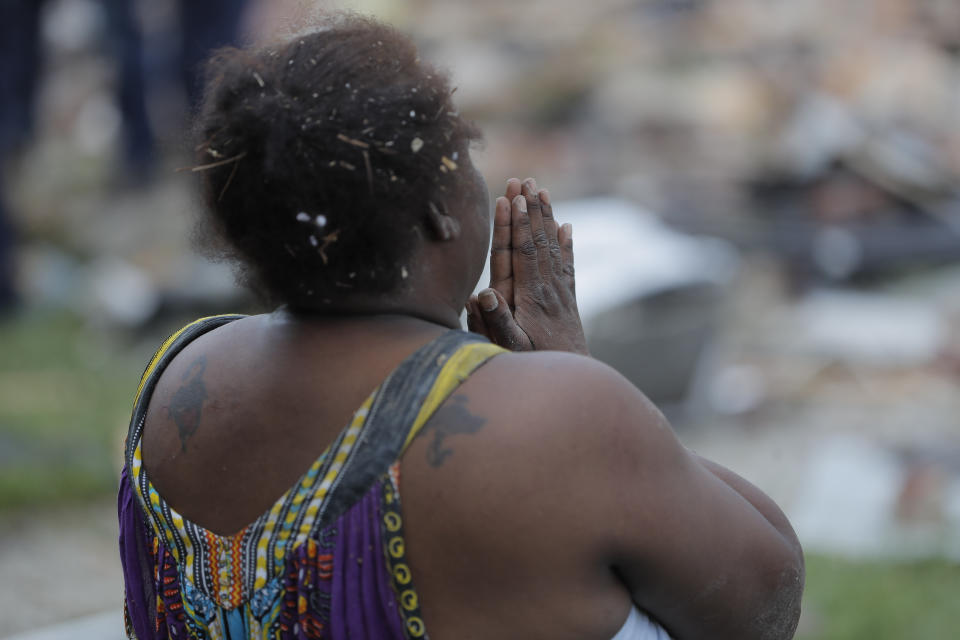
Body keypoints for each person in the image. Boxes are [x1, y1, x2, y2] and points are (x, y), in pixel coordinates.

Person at [118, 14, 804, 640]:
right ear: (438, 212)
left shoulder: (180, 374)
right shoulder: (561, 415)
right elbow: (765, 604)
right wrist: (576, 369)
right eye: (465, 155)